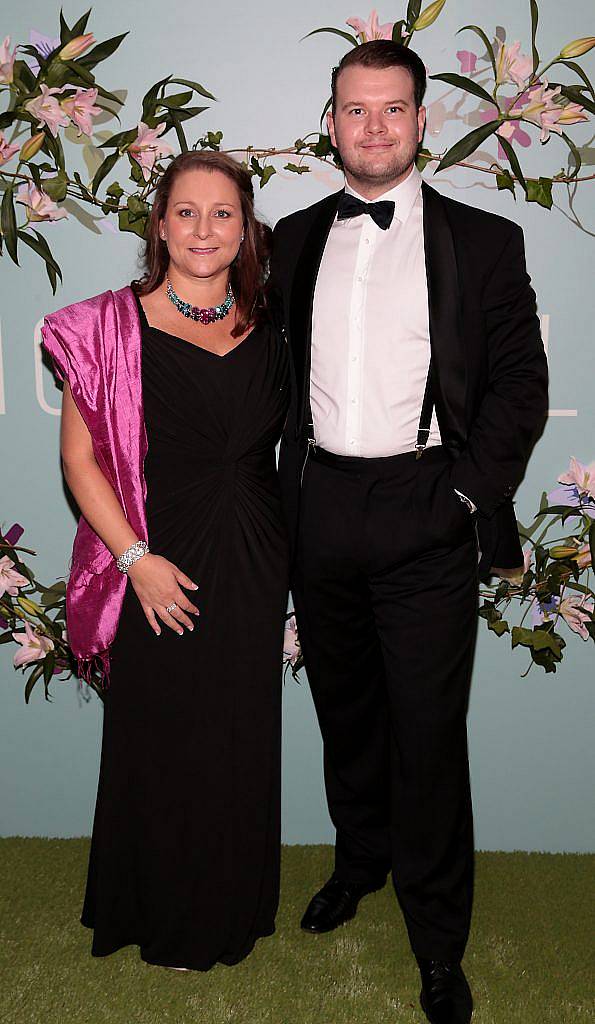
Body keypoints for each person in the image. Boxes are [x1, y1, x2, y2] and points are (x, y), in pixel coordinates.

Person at [269, 41, 548, 1024]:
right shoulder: (293, 237)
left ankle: (438, 945)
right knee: (346, 713)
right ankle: (360, 861)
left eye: (393, 110)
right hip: (321, 507)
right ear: (331, 120)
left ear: (422, 121)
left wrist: (465, 496)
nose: (374, 128)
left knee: (426, 738)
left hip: (430, 508)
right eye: (356, 110)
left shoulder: (484, 240)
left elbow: (520, 385)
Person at [42, 151, 289, 971]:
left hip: (255, 554)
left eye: (222, 214)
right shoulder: (108, 326)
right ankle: (160, 913)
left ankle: (234, 907)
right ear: (159, 224)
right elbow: (81, 460)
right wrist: (135, 559)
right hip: (157, 551)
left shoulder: (277, 322)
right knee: (163, 738)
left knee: (238, 737)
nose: (203, 230)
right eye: (185, 212)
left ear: (245, 229)